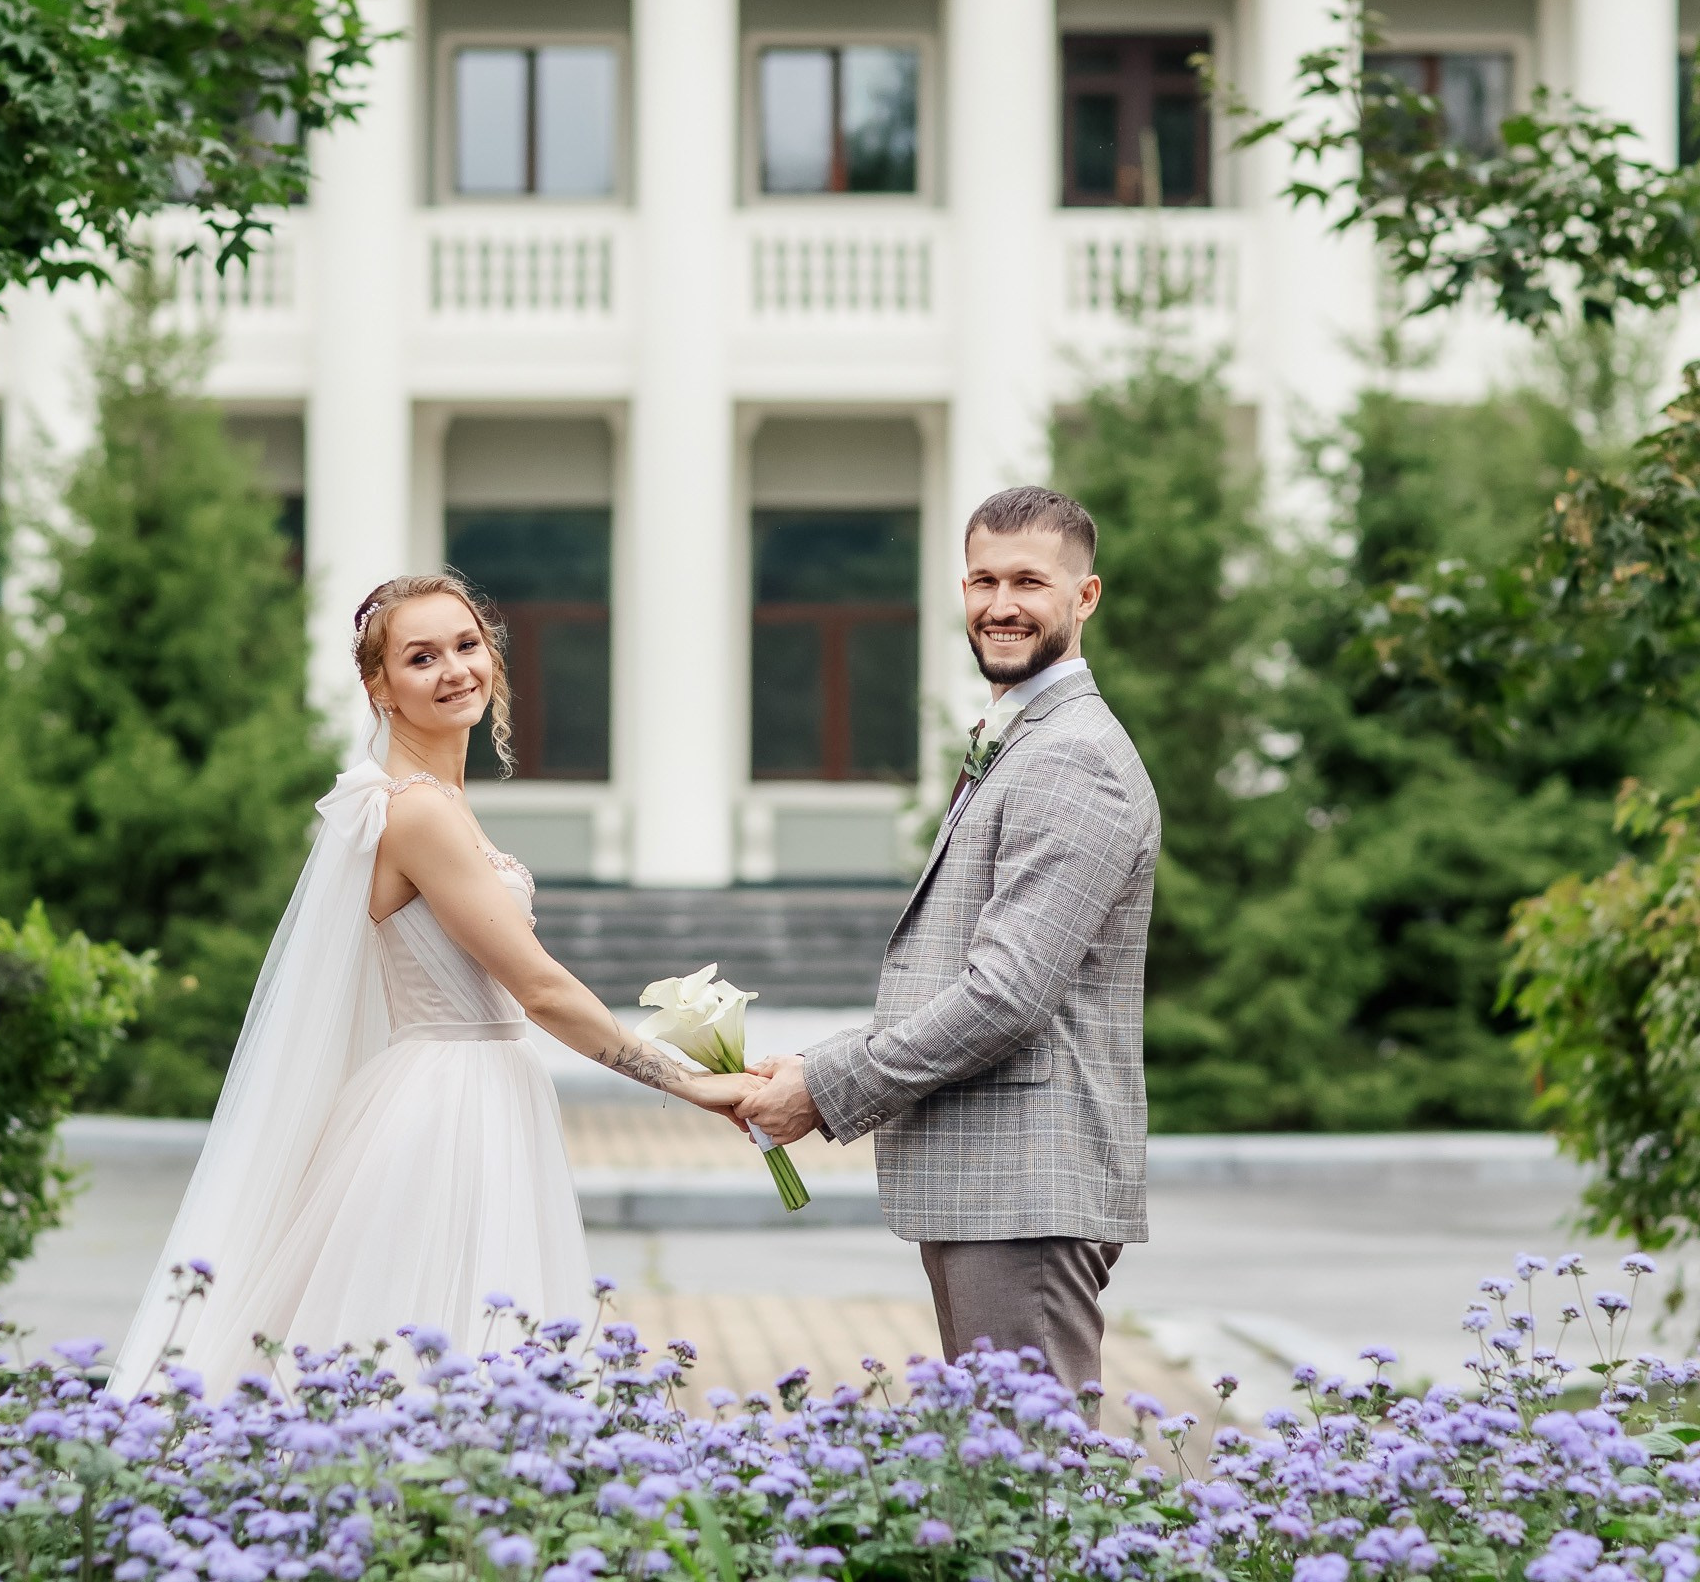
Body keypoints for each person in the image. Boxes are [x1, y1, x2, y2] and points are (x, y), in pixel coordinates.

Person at [108, 572, 745, 1399]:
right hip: (449, 1107)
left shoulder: (432, 804)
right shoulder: (419, 814)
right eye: (421, 657)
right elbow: (541, 990)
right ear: (379, 687)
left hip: (476, 1088)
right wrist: (694, 1086)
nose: (454, 669)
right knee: (440, 1345)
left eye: (467, 645)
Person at [735, 486, 1160, 1399]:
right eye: (982, 579)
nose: (1000, 604)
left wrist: (827, 1084)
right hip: (995, 1182)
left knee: (1031, 1488)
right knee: (1004, 1481)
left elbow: (1006, 993)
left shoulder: (1072, 755)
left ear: (1084, 598)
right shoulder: (1023, 738)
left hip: (1028, 1185)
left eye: (1029, 582)